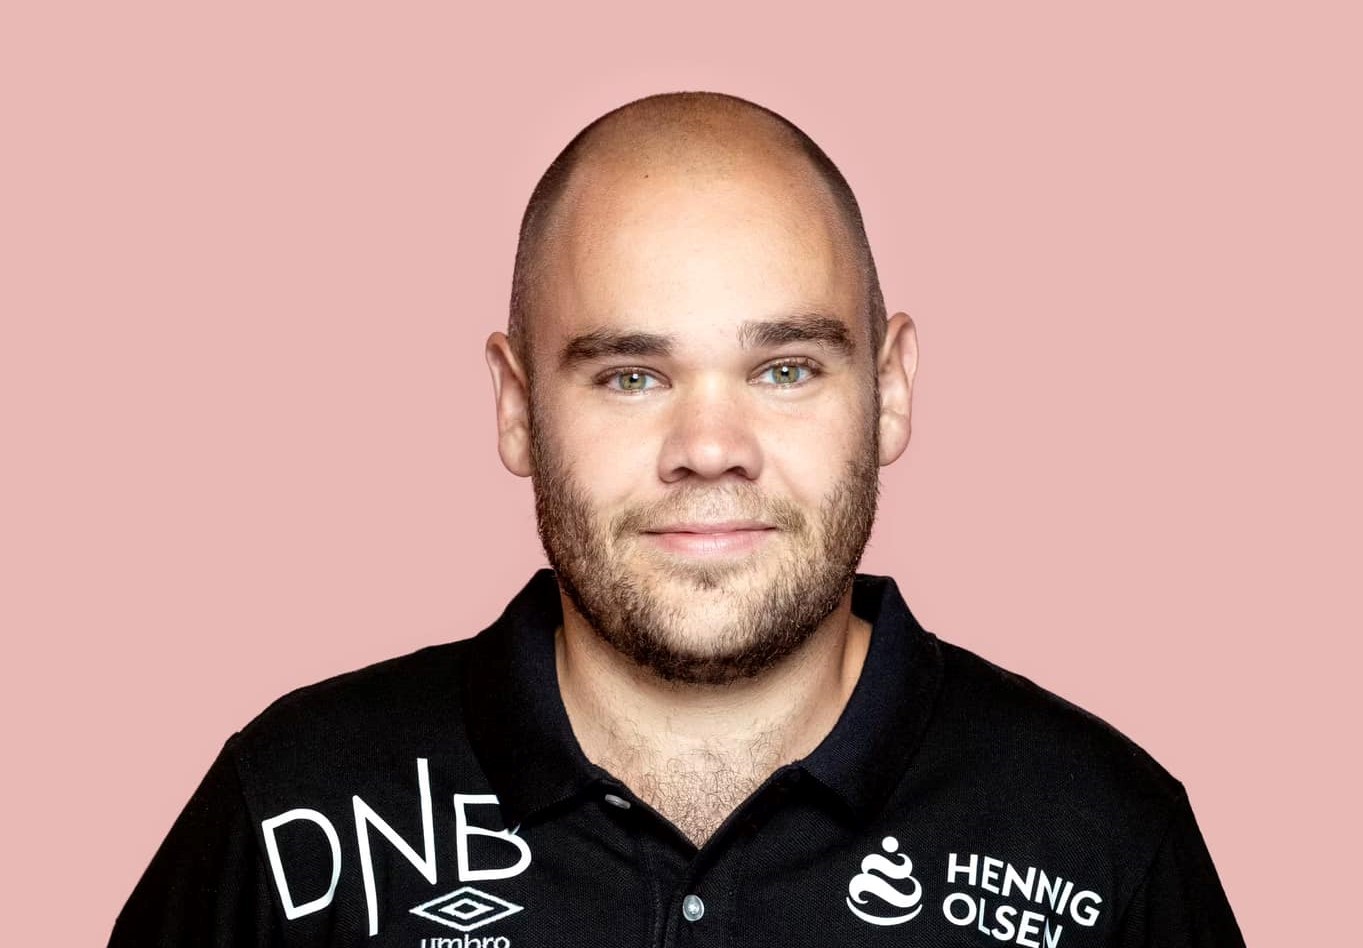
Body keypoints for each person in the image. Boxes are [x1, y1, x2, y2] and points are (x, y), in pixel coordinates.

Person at [110, 91, 1244, 946]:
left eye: (786, 369)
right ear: (516, 408)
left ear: (890, 389)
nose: (709, 446)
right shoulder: (290, 817)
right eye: (630, 376)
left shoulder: (1102, 841)